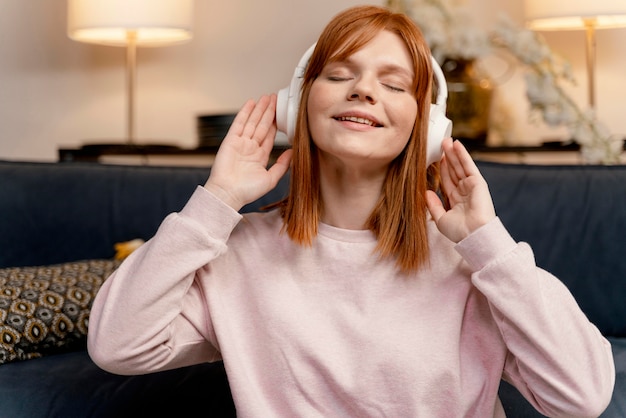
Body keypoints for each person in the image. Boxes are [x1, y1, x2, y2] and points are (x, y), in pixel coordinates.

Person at [87, 5, 615, 417]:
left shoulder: (471, 263)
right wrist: (217, 200)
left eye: (392, 84)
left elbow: (582, 397)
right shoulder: (237, 253)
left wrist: (488, 243)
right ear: (297, 106)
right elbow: (117, 345)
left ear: (427, 129)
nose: (363, 90)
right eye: (340, 75)